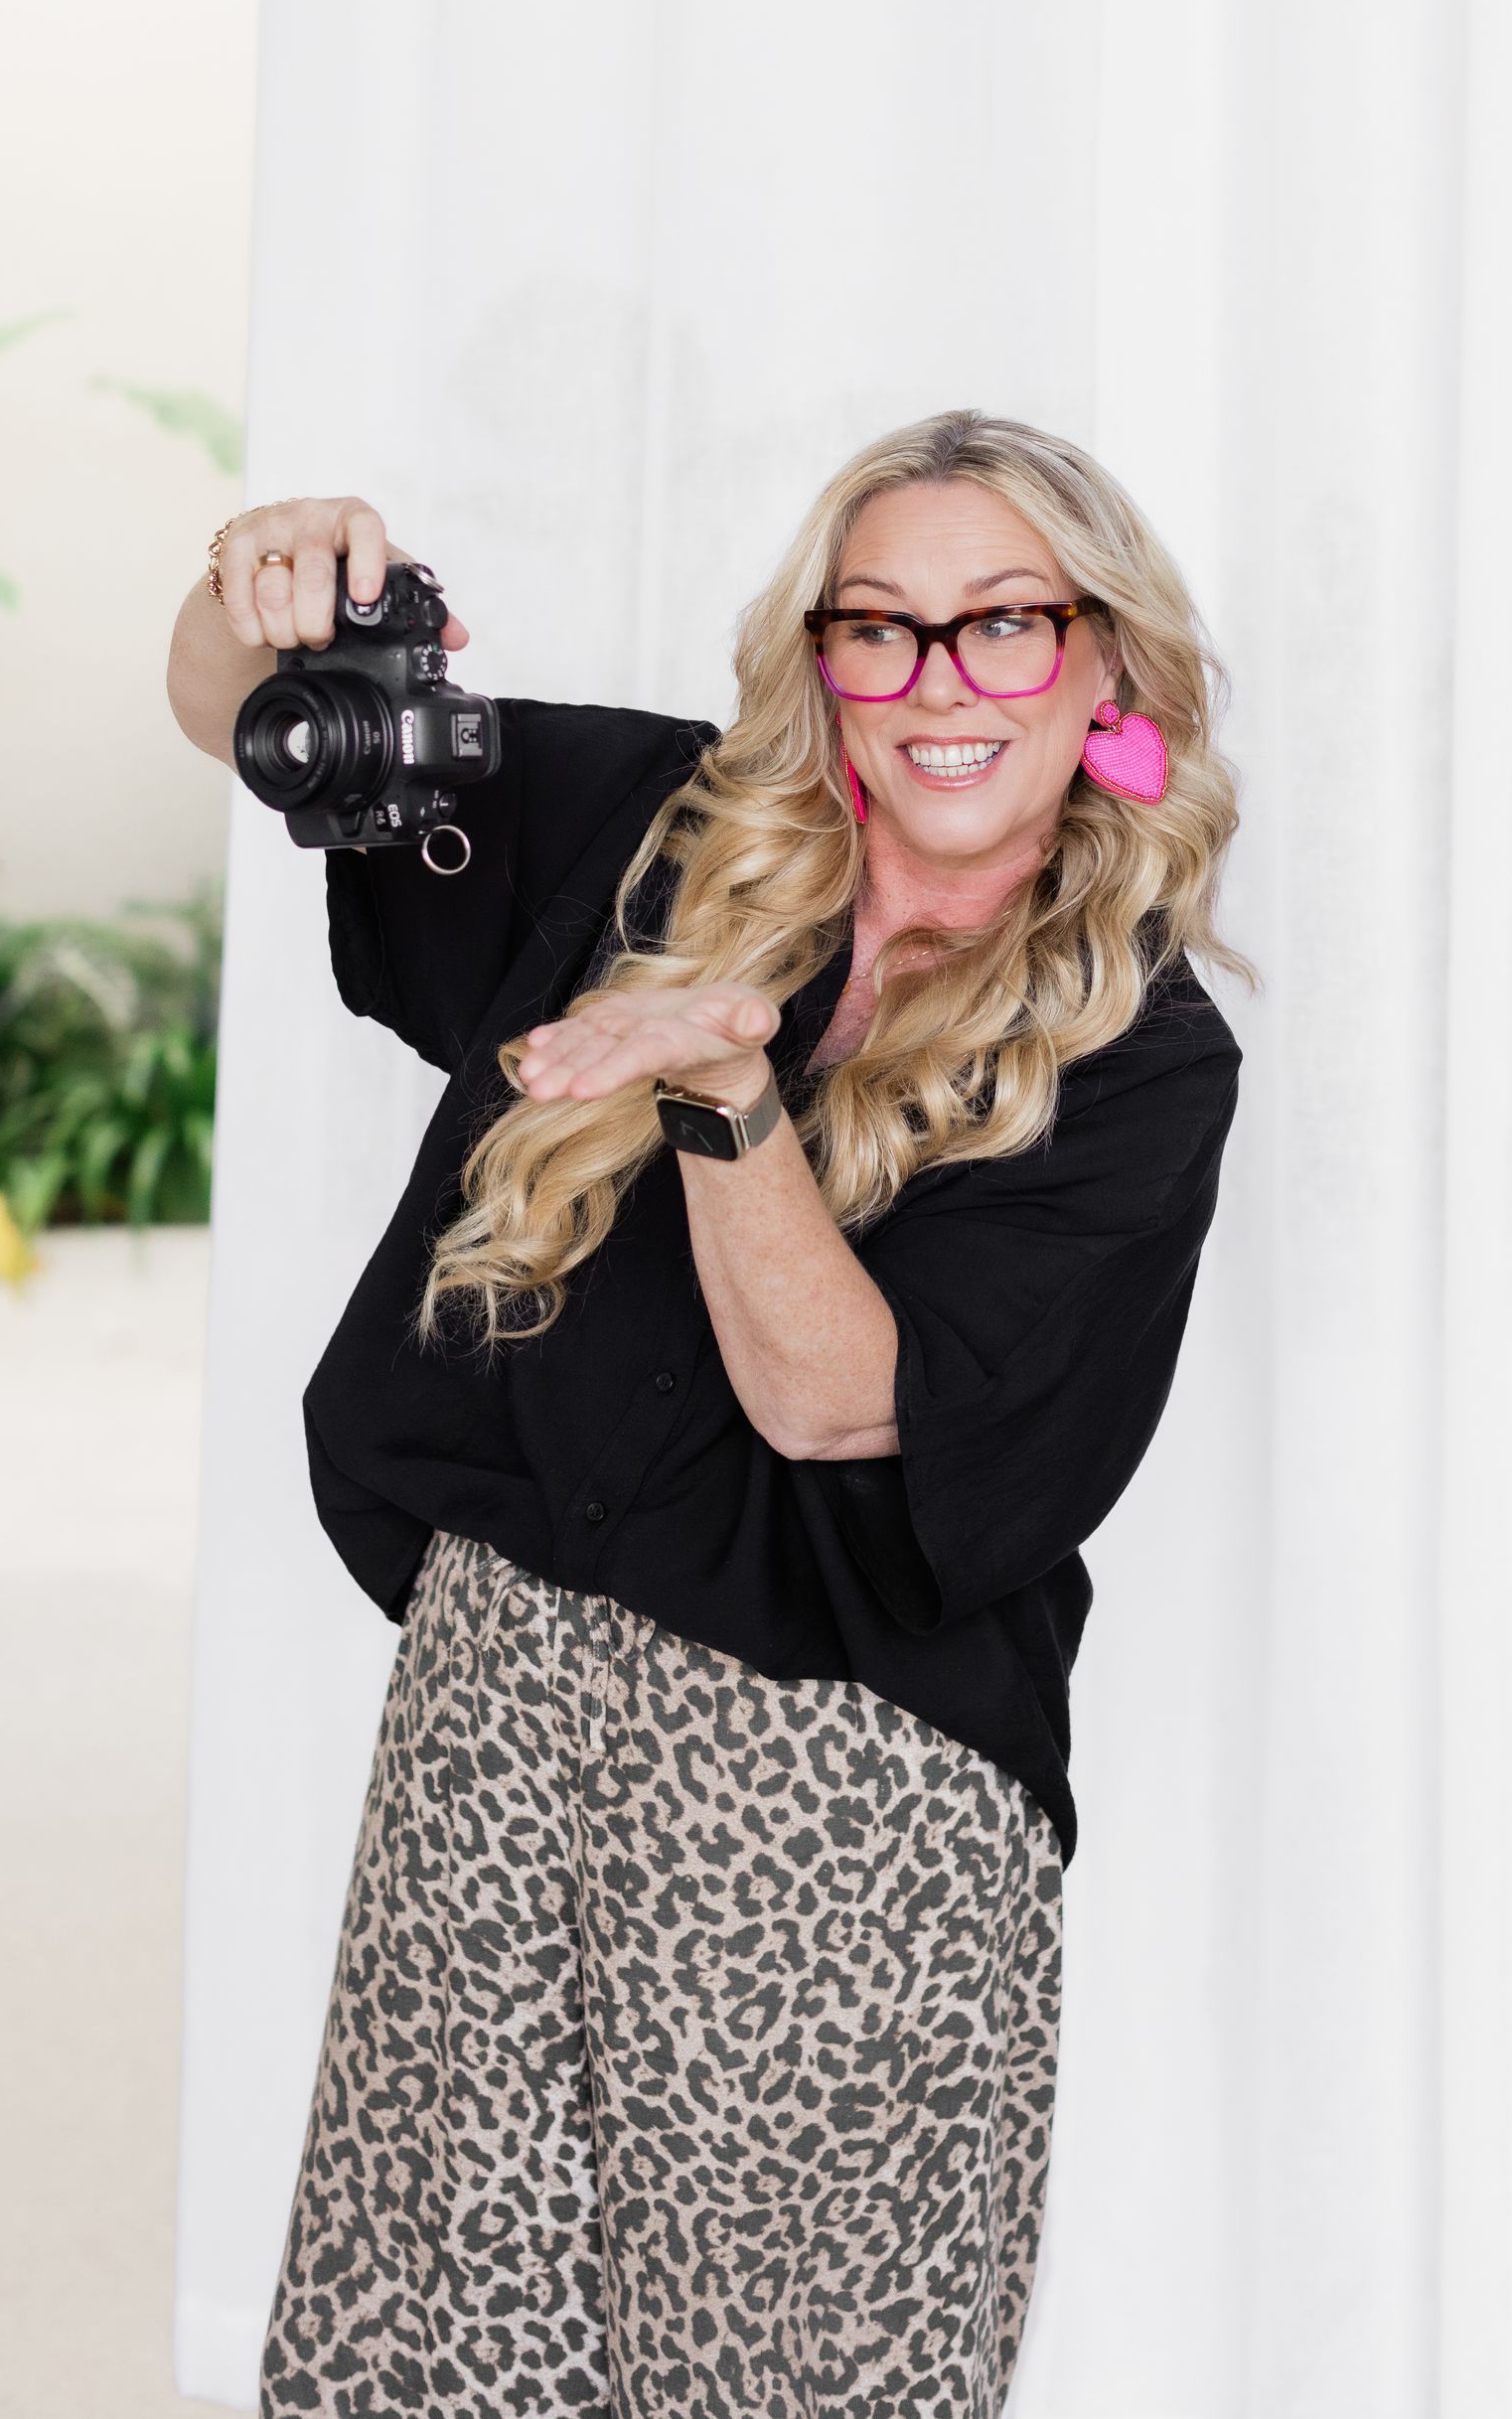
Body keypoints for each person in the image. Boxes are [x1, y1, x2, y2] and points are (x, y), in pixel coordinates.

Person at [166, 408, 1253, 2419]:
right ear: (821, 653)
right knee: (431, 2350)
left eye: (1003, 623)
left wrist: (725, 1093)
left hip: (840, 1792)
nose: (939, 684)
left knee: (786, 2382)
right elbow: (271, 727)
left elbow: (840, 1404)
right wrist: (270, 607)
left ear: (1106, 662)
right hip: (500, 1704)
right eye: (881, 626)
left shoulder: (1139, 1049)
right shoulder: (660, 821)